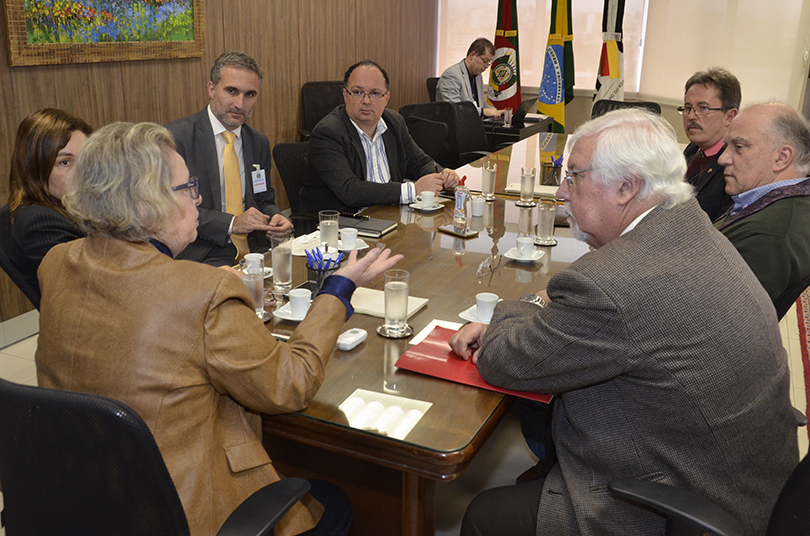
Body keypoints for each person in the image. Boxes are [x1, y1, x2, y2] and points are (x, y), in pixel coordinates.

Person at [35, 122, 403, 536]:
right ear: (145, 203)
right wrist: (337, 290)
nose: (200, 198)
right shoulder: (202, 291)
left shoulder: (55, 262)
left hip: (89, 497)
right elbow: (290, 384)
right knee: (335, 503)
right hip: (185, 510)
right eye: (186, 187)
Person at [448, 109, 798, 536]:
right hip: (747, 479)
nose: (561, 191)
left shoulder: (613, 283)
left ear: (626, 187)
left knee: (486, 515)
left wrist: (523, 305)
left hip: (693, 501)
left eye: (573, 176)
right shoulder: (693, 227)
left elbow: (504, 361)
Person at [166, 51, 292, 266]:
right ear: (212, 89)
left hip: (256, 249)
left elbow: (263, 199)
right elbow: (170, 209)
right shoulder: (176, 138)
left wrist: (276, 219)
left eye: (250, 94)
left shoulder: (258, 142)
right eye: (232, 91)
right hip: (202, 251)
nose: (240, 104)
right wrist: (232, 223)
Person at [298, 60, 459, 214]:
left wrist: (443, 176)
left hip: (389, 217)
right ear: (345, 95)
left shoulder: (393, 122)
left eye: (375, 93)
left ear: (386, 98)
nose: (366, 101)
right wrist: (413, 190)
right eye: (358, 92)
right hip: (343, 227)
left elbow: (420, 163)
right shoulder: (328, 132)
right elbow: (350, 191)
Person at [714, 101, 810, 306]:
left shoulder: (770, 234)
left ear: (782, 157)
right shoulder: (783, 202)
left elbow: (718, 321)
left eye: (739, 147)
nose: (723, 159)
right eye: (726, 147)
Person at [4, 108, 92, 306]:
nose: (83, 172)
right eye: (65, 162)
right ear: (35, 169)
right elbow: (88, 295)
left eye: (87, 158)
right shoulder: (41, 223)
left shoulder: (70, 205)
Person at [680, 67, 739, 221]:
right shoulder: (691, 151)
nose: (692, 116)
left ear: (730, 116)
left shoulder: (735, 165)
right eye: (688, 108)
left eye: (703, 108)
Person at [436, 38, 504, 119]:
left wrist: (496, 112)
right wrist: (483, 111)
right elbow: (456, 108)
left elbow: (480, 104)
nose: (486, 66)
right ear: (472, 55)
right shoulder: (451, 76)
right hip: (455, 126)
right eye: (485, 61)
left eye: (489, 63)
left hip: (472, 122)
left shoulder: (478, 76)